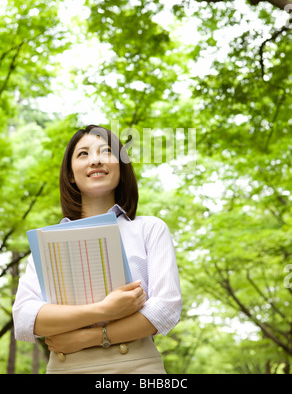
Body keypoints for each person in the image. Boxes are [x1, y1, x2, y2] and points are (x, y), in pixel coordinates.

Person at [13, 125, 182, 374]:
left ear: (121, 167)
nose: (95, 160)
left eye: (106, 151)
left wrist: (88, 337)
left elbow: (165, 309)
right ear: (71, 174)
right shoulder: (47, 240)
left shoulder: (149, 228)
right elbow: (26, 317)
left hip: (136, 367)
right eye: (83, 154)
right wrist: (105, 310)